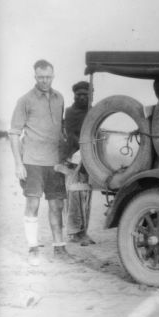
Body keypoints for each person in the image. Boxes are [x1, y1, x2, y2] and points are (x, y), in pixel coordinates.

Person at [9, 59, 73, 265]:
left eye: (48, 77)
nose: (44, 81)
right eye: (40, 77)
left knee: (56, 205)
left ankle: (59, 248)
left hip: (54, 162)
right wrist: (19, 164)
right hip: (32, 162)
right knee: (33, 204)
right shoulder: (25, 100)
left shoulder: (59, 98)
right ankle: (33, 248)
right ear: (35, 76)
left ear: (53, 76)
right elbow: (13, 134)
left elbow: (61, 130)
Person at [62, 81, 95, 246]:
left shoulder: (93, 112)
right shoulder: (69, 112)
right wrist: (82, 149)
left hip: (89, 156)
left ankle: (83, 231)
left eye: (85, 95)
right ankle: (74, 232)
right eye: (79, 95)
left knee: (86, 195)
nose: (82, 97)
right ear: (74, 95)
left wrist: (89, 153)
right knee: (75, 194)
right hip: (74, 156)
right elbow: (71, 134)